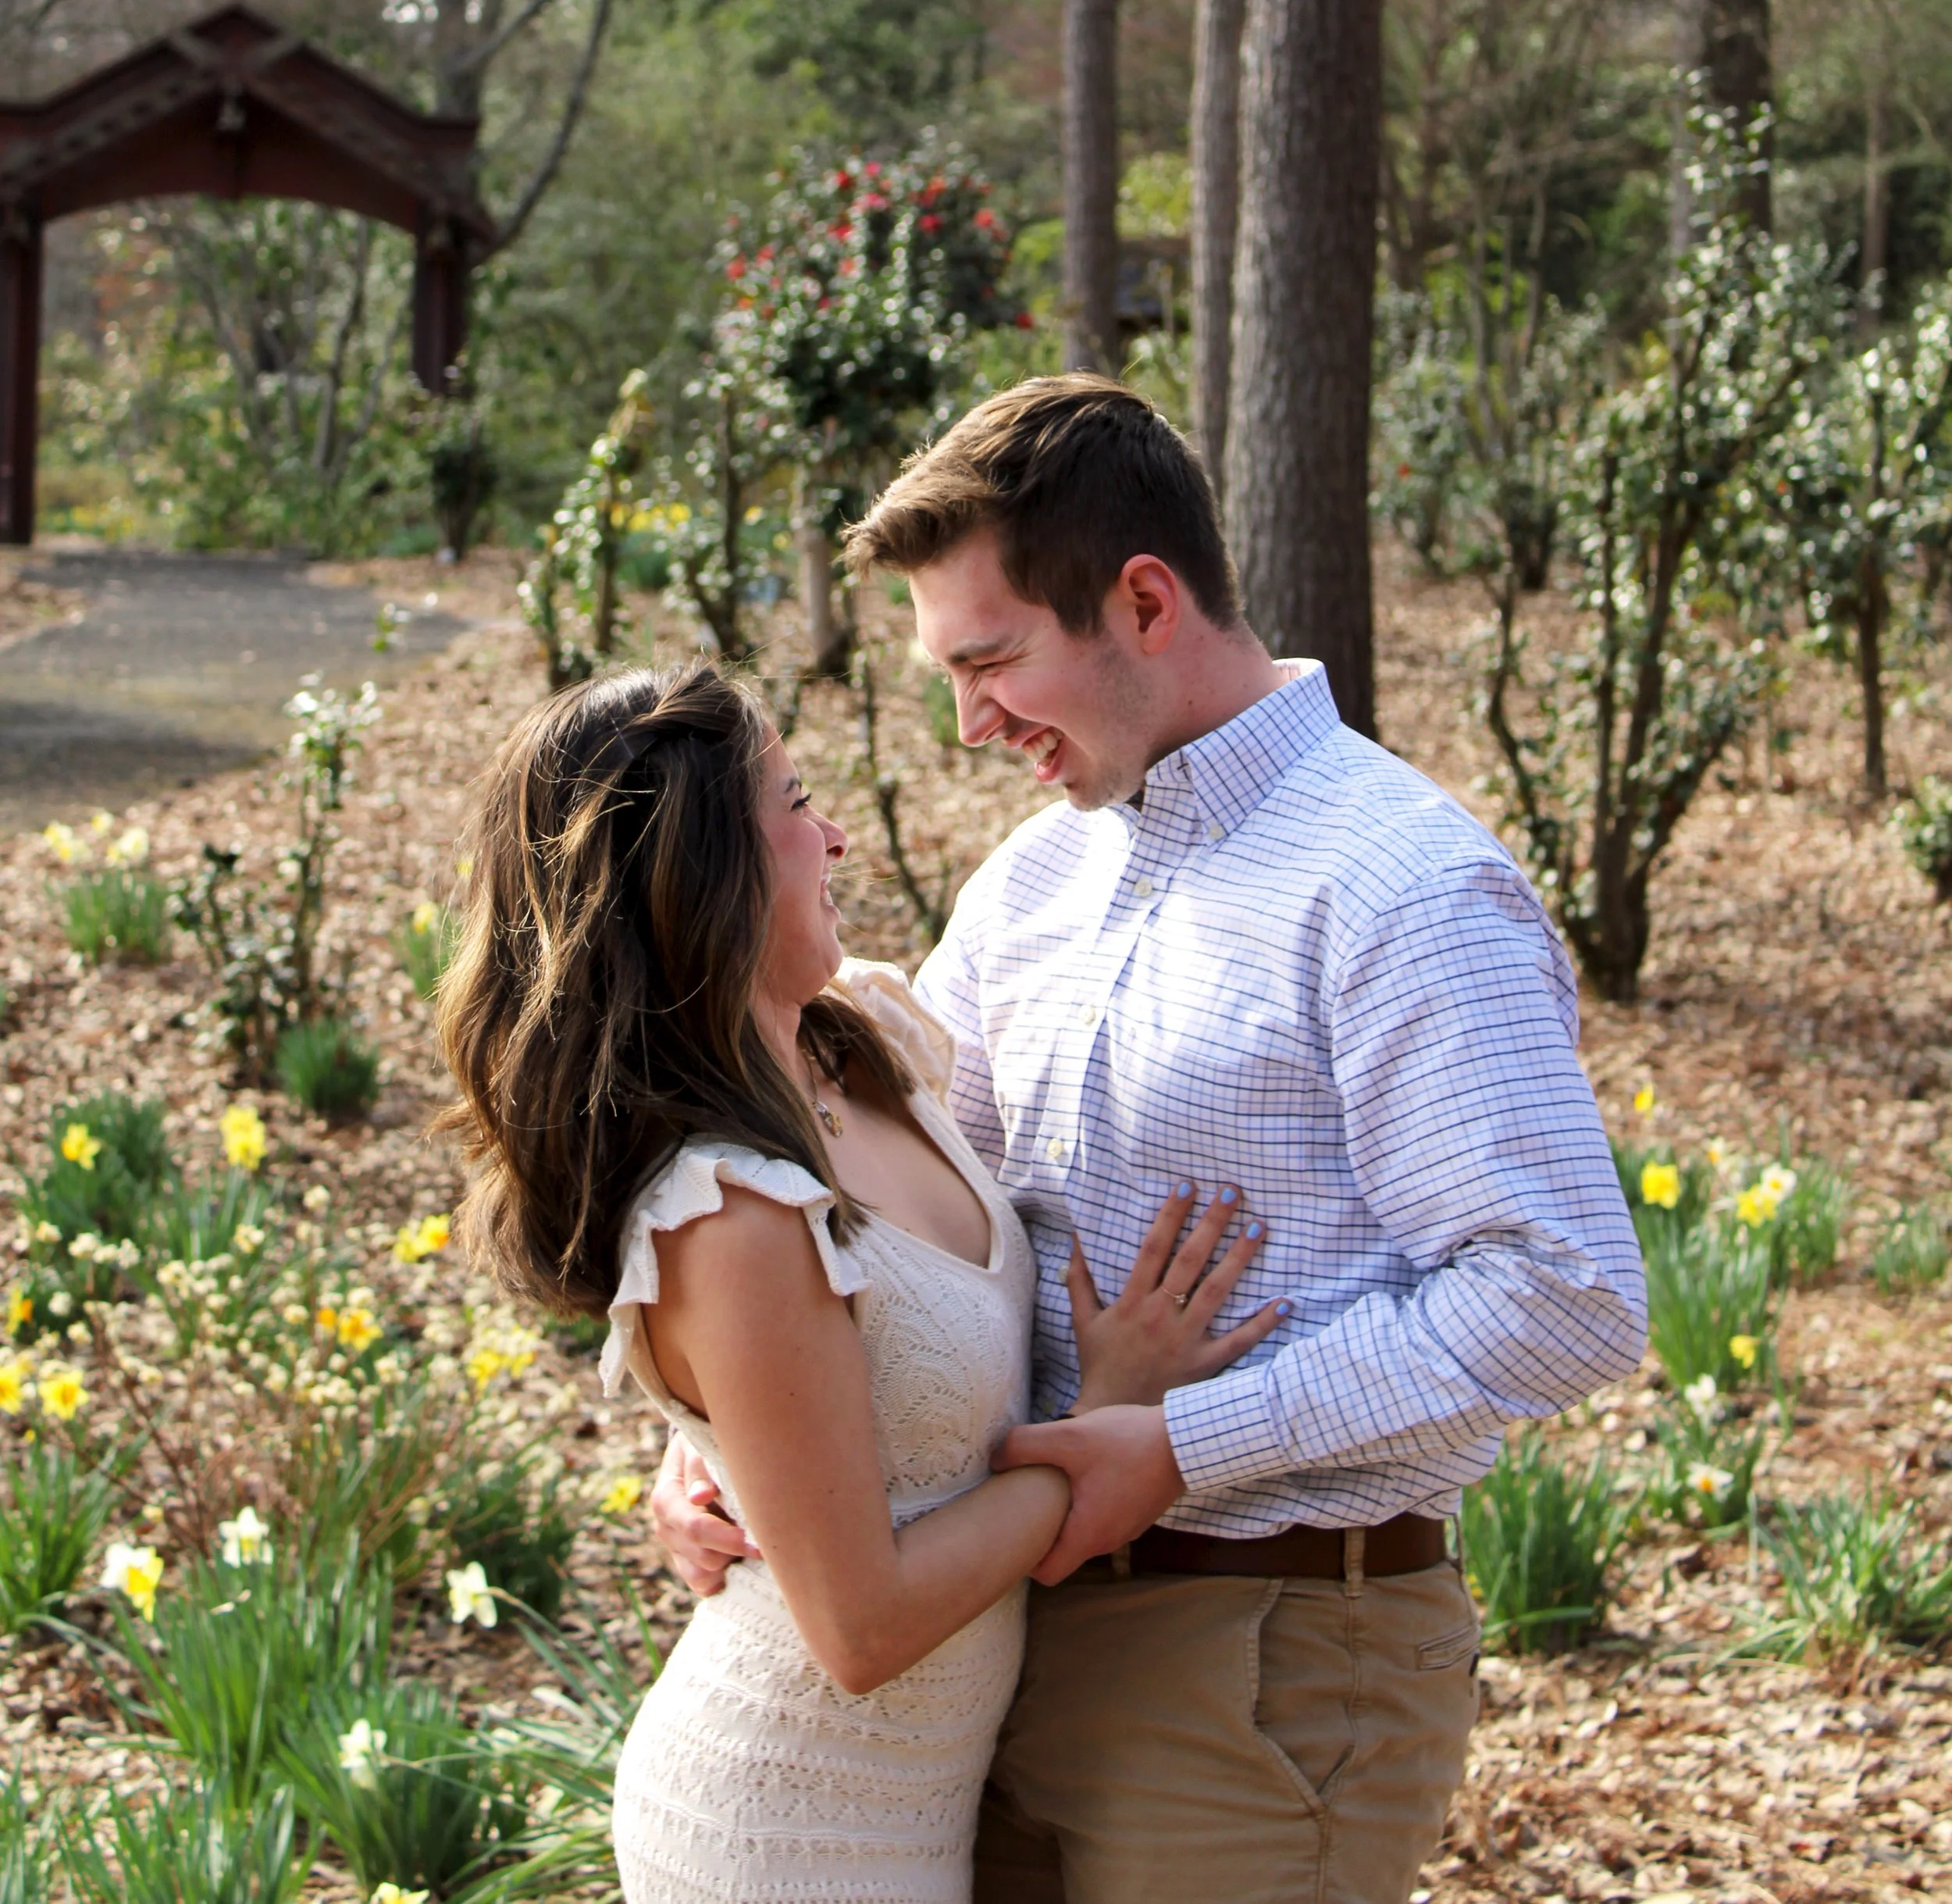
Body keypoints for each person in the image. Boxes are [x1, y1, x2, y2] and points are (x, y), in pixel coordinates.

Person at [657, 373, 1647, 1904]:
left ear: (1140, 598)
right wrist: (722, 1447)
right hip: (991, 1640)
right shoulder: (1031, 887)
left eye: (991, 660)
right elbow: (911, 1232)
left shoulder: (1397, 886)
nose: (969, 721)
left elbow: (1560, 1291)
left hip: (1264, 1651)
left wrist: (1178, 1445)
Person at [434, 656, 1284, 1904]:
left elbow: (857, 1404)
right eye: (795, 802)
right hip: (790, 1829)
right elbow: (861, 1627)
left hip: (927, 1798)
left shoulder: (865, 1036)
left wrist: (719, 1455)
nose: (834, 833)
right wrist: (1098, 1432)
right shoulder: (729, 1213)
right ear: (702, 872)